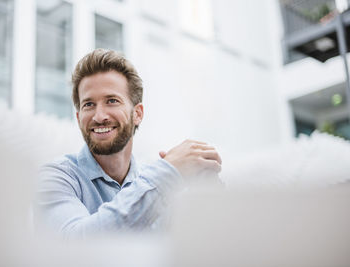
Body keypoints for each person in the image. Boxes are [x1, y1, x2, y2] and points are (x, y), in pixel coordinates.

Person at [34, 49, 222, 238]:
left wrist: (207, 193)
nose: (99, 116)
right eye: (88, 105)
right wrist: (168, 173)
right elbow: (78, 245)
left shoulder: (155, 182)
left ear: (137, 114)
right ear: (78, 116)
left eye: (112, 101)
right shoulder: (56, 177)